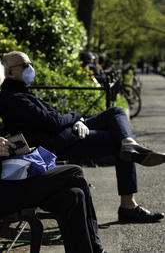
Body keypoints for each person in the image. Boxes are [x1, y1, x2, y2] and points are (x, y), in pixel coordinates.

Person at [0, 51, 164, 224]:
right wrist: (76, 117)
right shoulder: (12, 97)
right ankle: (128, 206)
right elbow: (53, 121)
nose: (31, 68)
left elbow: (53, 118)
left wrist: (73, 120)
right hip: (59, 143)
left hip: (65, 133)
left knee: (115, 112)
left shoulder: (21, 91)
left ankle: (129, 143)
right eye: (26, 65)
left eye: (31, 63)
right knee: (117, 144)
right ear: (10, 72)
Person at [0, 135, 107, 253]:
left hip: (12, 182)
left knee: (74, 195)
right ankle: (97, 248)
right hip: (6, 193)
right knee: (75, 172)